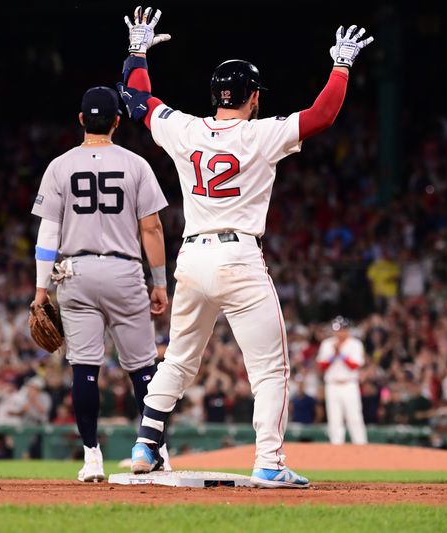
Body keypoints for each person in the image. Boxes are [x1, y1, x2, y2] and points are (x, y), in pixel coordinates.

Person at [116, 6, 373, 488]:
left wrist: (137, 51)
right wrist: (341, 64)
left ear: (216, 95)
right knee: (269, 369)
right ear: (253, 97)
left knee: (178, 360)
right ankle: (269, 460)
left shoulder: (184, 127)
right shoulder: (261, 133)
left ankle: (146, 444)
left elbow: (134, 99)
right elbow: (323, 115)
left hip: (191, 257)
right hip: (239, 258)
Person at [31, 85, 170, 482]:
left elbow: (48, 234)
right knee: (144, 369)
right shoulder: (136, 164)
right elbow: (152, 227)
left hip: (75, 273)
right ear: (116, 121)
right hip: (124, 271)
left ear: (80, 120)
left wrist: (41, 291)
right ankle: (155, 451)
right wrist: (158, 282)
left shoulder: (59, 166)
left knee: (85, 369)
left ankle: (92, 458)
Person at [316, 316, 368, 444]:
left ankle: (361, 445)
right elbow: (322, 366)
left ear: (347, 330)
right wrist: (334, 355)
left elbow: (354, 366)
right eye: (336, 330)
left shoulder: (355, 344)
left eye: (341, 329)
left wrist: (341, 354)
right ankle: (336, 448)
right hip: (332, 385)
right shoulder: (327, 344)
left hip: (349, 384)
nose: (339, 332)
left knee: (354, 417)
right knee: (334, 418)